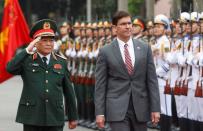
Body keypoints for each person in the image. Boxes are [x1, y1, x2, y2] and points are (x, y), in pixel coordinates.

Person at [6, 19, 78, 131]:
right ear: (35, 42)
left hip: (55, 116)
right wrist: (27, 50)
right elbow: (10, 68)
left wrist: (73, 117)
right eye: (44, 40)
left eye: (51, 40)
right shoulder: (27, 60)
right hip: (32, 117)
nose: (49, 44)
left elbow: (69, 92)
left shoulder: (61, 62)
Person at [94, 11, 160, 131]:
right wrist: (99, 113)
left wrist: (155, 108)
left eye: (129, 23)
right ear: (115, 28)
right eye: (123, 24)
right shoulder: (105, 51)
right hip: (116, 108)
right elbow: (100, 85)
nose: (128, 26)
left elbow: (152, 80)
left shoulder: (145, 48)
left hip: (140, 107)